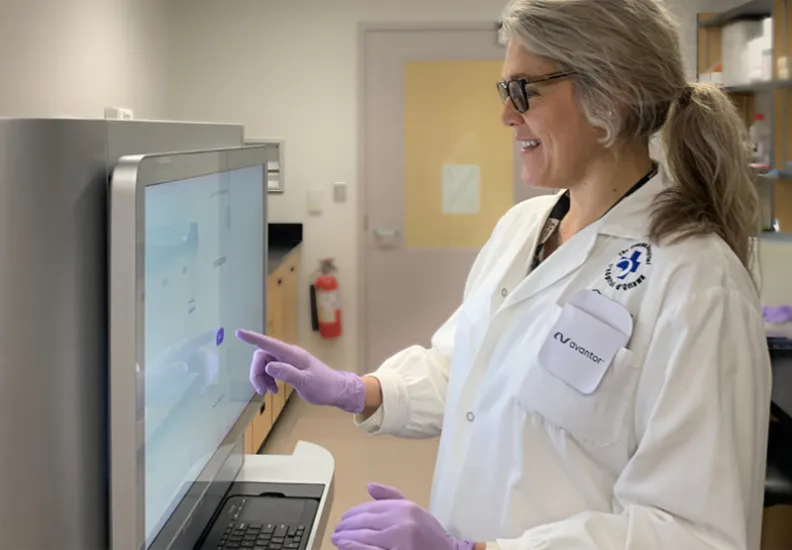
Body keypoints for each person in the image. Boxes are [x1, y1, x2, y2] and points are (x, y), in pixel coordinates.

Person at [237, 0, 773, 548]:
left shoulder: (699, 285)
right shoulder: (524, 228)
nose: (505, 116)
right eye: (505, 92)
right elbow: (464, 369)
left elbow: (694, 533)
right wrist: (358, 390)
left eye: (523, 91)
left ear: (611, 94)